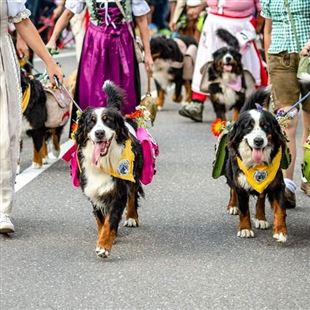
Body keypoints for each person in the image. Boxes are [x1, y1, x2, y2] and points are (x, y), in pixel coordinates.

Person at [0, 0, 63, 234]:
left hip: (1, 59)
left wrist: (50, 62)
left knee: (5, 132)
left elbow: (23, 22)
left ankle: (2, 209)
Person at [46, 0, 153, 131]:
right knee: (92, 90)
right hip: (95, 44)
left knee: (125, 89)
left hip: (123, 44)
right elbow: (68, 14)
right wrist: (52, 40)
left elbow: (142, 21)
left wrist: (147, 54)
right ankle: (91, 134)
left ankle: (126, 133)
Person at [178, 0, 267, 122]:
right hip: (213, 23)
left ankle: (255, 107)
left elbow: (263, 7)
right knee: (206, 63)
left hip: (241, 26)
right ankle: (197, 103)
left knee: (246, 67)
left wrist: (256, 25)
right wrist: (199, 8)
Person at [262, 0, 310, 206]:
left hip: (308, 56)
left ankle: (307, 177)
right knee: (287, 121)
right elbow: (267, 30)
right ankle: (287, 185)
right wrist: (268, 65)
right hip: (279, 59)